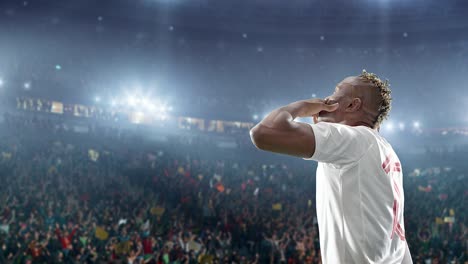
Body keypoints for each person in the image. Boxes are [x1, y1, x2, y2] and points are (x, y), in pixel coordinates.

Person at [249, 70, 413, 264]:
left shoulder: (353, 140)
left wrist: (302, 107)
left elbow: (263, 133)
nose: (326, 98)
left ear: (353, 105)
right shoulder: (387, 151)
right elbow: (399, 242)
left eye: (336, 92)